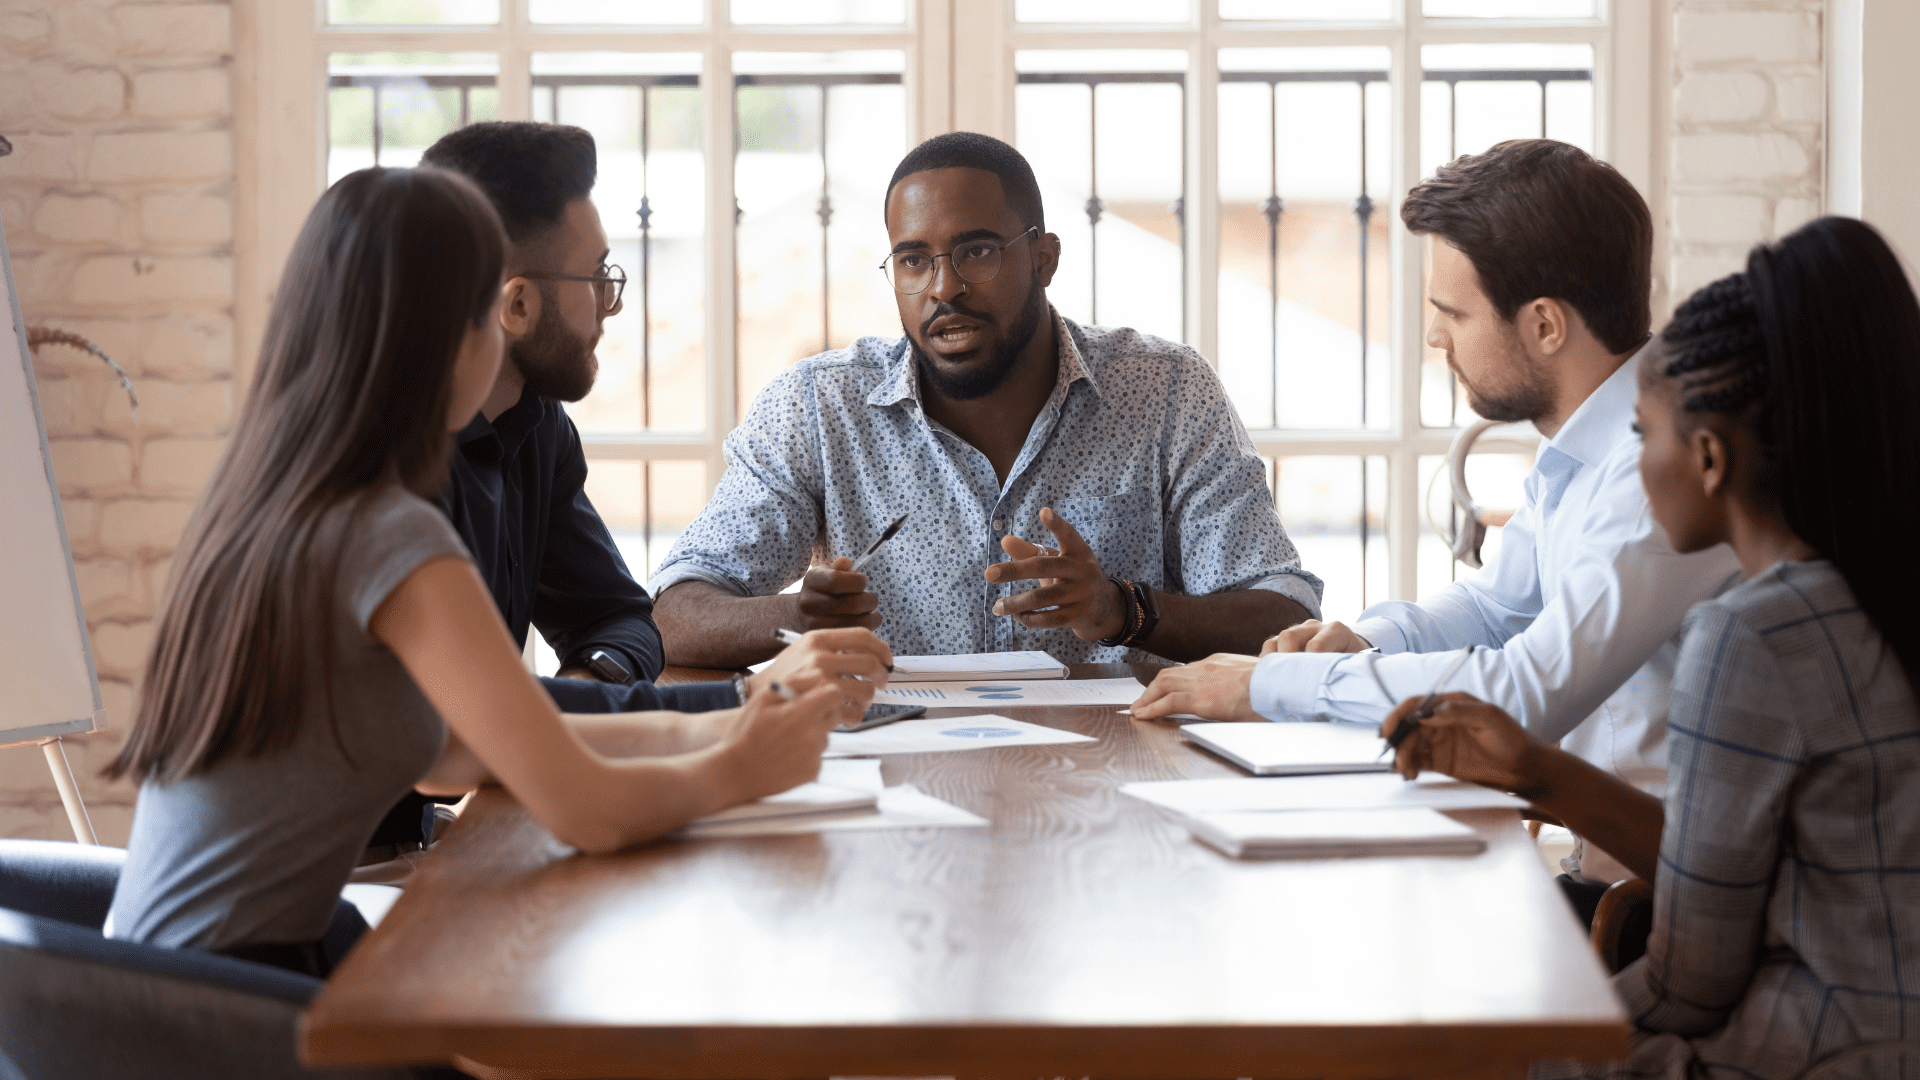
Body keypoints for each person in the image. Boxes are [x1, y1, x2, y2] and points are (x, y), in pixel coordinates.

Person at [102, 166, 885, 976]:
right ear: (452, 333)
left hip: (165, 981)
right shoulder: (390, 533)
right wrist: (739, 765)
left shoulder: (275, 494)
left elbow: (457, 756)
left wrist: (732, 718)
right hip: (232, 1010)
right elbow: (586, 812)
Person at [1384, 216, 1920, 1080]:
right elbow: (1756, 875)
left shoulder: (1749, 635)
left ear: (1708, 457)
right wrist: (1537, 770)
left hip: (1797, 1054)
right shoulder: (1868, 595)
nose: (1629, 471)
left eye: (1640, 435)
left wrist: (1522, 1041)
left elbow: (1691, 985)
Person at [1132, 139, 1742, 891]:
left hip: (1661, 909)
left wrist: (1265, 688)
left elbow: (1526, 694)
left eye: (1452, 312)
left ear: (1546, 325)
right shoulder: (1583, 450)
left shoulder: (1655, 470)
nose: (1432, 337)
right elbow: (1496, 606)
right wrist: (1360, 641)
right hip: (1605, 884)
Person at [651, 132, 1322, 669]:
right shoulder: (820, 407)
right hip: (897, 775)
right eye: (913, 260)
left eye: (976, 251)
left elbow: (1286, 617)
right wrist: (798, 620)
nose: (944, 288)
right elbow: (673, 614)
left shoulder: (1166, 390)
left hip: (1114, 773)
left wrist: (1125, 610)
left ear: (1045, 259)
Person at [358, 122, 839, 868]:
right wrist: (741, 717)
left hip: (360, 880)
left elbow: (600, 636)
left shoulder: (519, 436)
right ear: (509, 307)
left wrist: (681, 710)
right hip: (298, 938)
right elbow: (484, 752)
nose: (612, 306)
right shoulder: (387, 508)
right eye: (599, 277)